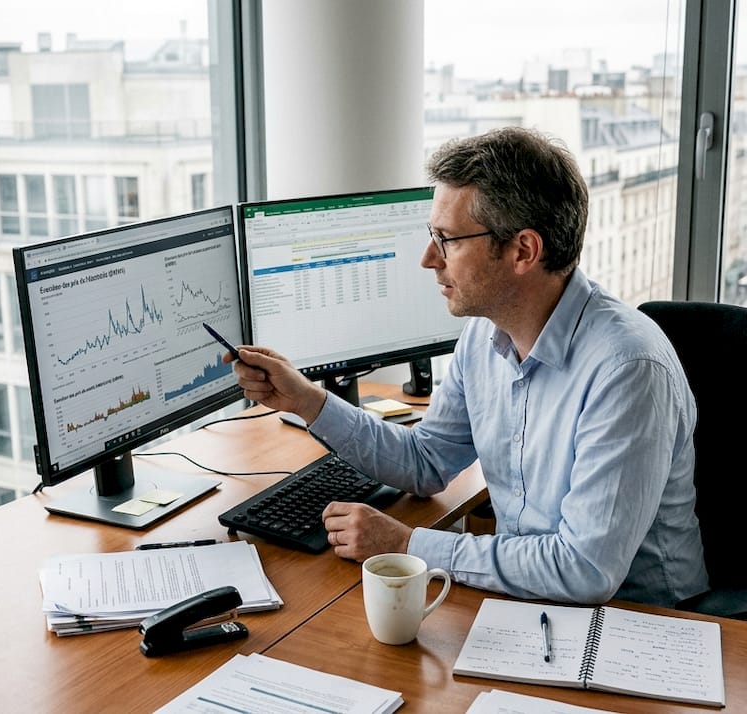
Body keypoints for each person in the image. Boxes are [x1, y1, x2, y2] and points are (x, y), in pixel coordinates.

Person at [230, 126, 708, 607]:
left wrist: (407, 544)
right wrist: (307, 401)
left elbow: (584, 570)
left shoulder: (627, 368)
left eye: (447, 239)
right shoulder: (485, 334)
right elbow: (427, 461)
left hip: (637, 624)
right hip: (533, 601)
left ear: (523, 250)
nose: (427, 259)